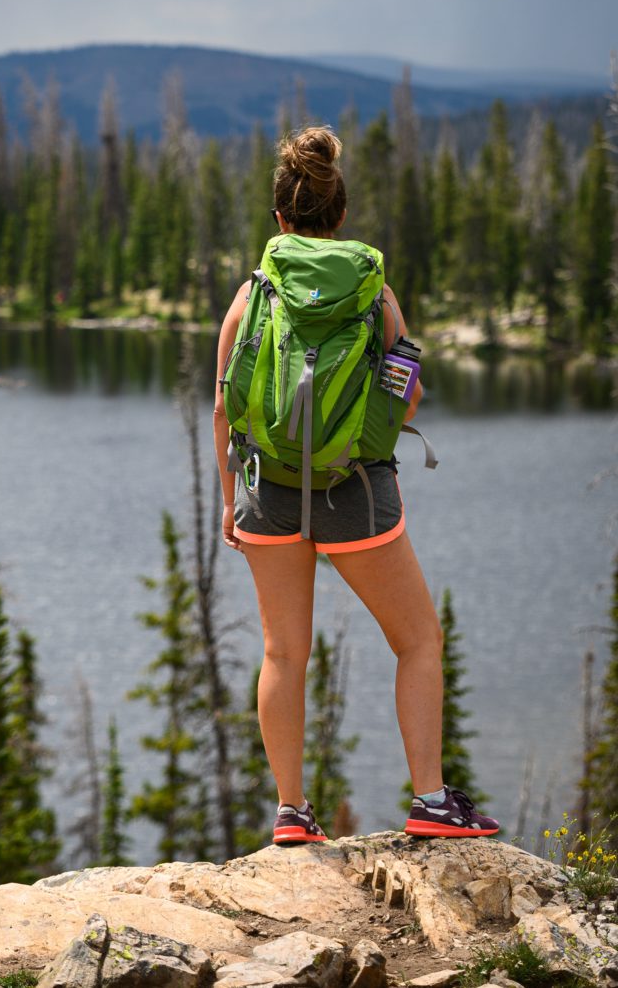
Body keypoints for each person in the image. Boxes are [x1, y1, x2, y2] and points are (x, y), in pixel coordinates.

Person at [212, 125, 499, 844]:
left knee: (283, 652)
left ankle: (291, 814)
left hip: (267, 490)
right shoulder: (374, 289)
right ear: (339, 216)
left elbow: (223, 404)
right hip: (355, 492)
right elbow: (410, 389)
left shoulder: (255, 293)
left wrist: (229, 499)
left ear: (280, 220)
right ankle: (430, 802)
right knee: (418, 641)